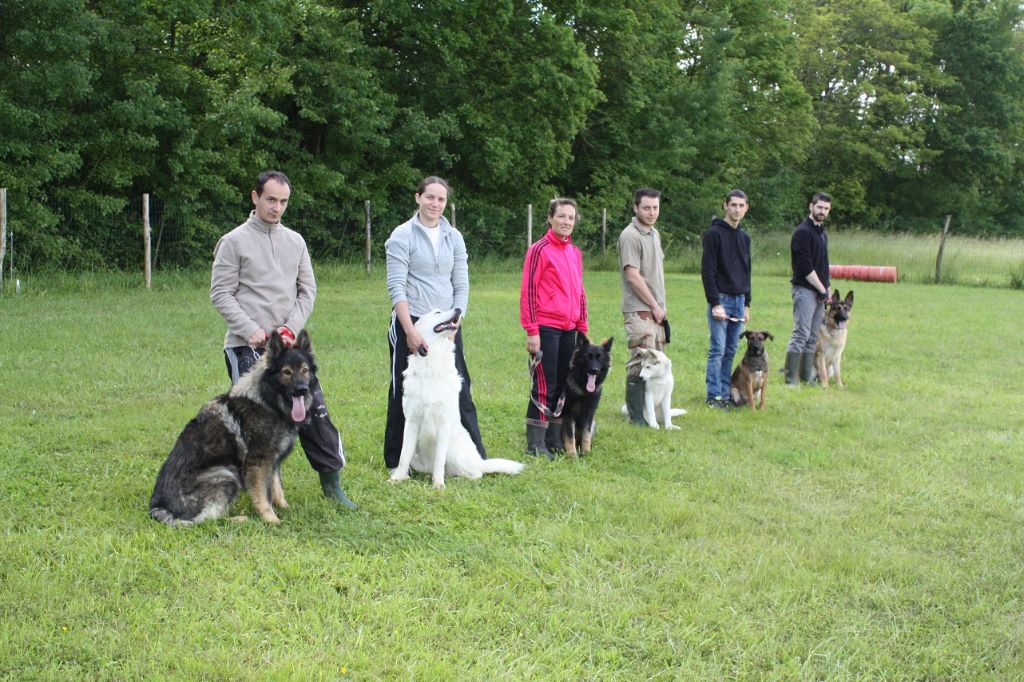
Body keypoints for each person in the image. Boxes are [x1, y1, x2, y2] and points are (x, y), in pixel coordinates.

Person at [210, 170, 357, 509]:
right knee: (259, 423)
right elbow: (220, 293)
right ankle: (263, 492)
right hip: (246, 345)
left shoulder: (296, 241)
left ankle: (332, 482)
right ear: (255, 198)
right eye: (271, 200)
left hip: (289, 350)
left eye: (283, 202)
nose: (277, 207)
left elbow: (308, 290)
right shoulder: (233, 242)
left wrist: (290, 328)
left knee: (313, 410)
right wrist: (251, 330)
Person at [384, 176, 487, 470]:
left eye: (441, 199)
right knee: (403, 391)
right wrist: (410, 331)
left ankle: (475, 455)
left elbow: (462, 284)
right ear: (418, 197)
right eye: (430, 197)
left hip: (447, 324)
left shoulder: (453, 237)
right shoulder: (401, 235)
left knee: (459, 386)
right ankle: (396, 461)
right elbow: (396, 288)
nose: (435, 204)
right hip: (413, 320)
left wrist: (456, 322)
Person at [520, 198, 588, 458]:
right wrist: (532, 330)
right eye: (561, 216)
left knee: (562, 383)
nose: (566, 222)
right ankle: (535, 443)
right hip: (546, 326)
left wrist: (582, 327)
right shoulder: (539, 250)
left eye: (571, 217)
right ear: (550, 218)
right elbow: (529, 290)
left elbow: (579, 292)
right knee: (544, 384)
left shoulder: (575, 253)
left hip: (569, 329)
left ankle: (555, 437)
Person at [618, 188, 667, 425]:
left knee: (656, 360)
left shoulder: (654, 233)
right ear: (635, 207)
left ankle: (652, 414)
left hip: (655, 312)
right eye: (646, 207)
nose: (651, 212)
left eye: (655, 207)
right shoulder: (630, 236)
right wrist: (654, 305)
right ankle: (636, 416)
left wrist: (660, 308)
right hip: (640, 311)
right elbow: (633, 276)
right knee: (640, 361)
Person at [701, 189, 752, 409]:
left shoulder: (744, 237)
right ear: (725, 206)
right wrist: (715, 303)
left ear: (746, 208)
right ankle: (714, 395)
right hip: (721, 298)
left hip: (739, 299)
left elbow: (746, 271)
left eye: (741, 205)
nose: (737, 209)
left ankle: (725, 391)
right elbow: (708, 271)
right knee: (718, 348)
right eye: (734, 205)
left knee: (731, 348)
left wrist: (747, 303)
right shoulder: (714, 234)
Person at [784, 192, 833, 385]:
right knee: (801, 334)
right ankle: (790, 380)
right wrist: (821, 288)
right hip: (805, 289)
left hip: (820, 290)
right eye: (819, 207)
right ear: (811, 206)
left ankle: (806, 378)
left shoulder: (822, 233)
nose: (822, 211)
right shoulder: (803, 232)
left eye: (826, 209)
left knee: (813, 337)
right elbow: (805, 267)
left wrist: (827, 288)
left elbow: (823, 265)